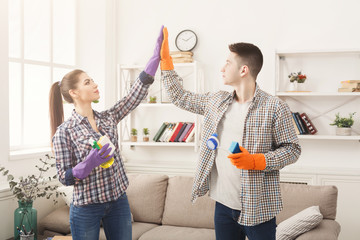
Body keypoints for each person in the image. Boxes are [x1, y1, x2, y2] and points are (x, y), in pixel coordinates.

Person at [160, 27, 301, 240]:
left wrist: (256, 161)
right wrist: (166, 62)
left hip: (258, 208)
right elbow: (180, 97)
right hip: (223, 206)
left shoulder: (275, 107)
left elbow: (293, 150)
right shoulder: (216, 102)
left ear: (243, 70)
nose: (222, 68)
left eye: (228, 63)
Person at [48, 26, 164, 240]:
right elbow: (64, 177)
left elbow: (132, 98)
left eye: (92, 79)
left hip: (118, 201)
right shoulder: (65, 132)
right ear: (74, 93)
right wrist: (86, 165)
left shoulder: (107, 118)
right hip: (86, 208)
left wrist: (153, 61)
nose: (94, 84)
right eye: (87, 82)